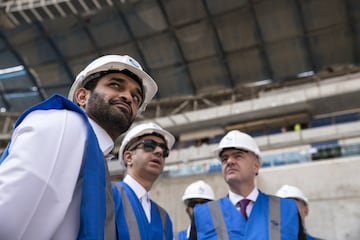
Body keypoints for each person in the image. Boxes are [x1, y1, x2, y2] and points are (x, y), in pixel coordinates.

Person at [0, 54, 158, 240]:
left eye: (136, 97)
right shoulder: (67, 125)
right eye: (115, 85)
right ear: (82, 96)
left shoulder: (96, 153)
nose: (128, 97)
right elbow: (10, 217)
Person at [189, 130, 306, 240]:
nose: (229, 161)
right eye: (224, 159)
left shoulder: (287, 210)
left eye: (238, 156)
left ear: (256, 165)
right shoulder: (202, 215)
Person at [112, 122, 175, 239]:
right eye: (149, 145)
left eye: (164, 149)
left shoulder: (163, 218)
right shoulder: (109, 195)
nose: (159, 151)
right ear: (129, 157)